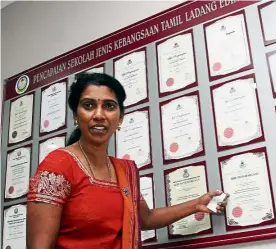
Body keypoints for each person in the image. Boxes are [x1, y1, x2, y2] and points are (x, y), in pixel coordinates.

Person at [27, 73, 228, 249]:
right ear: (75, 116)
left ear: (120, 119)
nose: (99, 115)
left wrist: (196, 204)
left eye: (109, 106)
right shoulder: (58, 165)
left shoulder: (124, 170)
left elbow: (146, 218)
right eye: (88, 105)